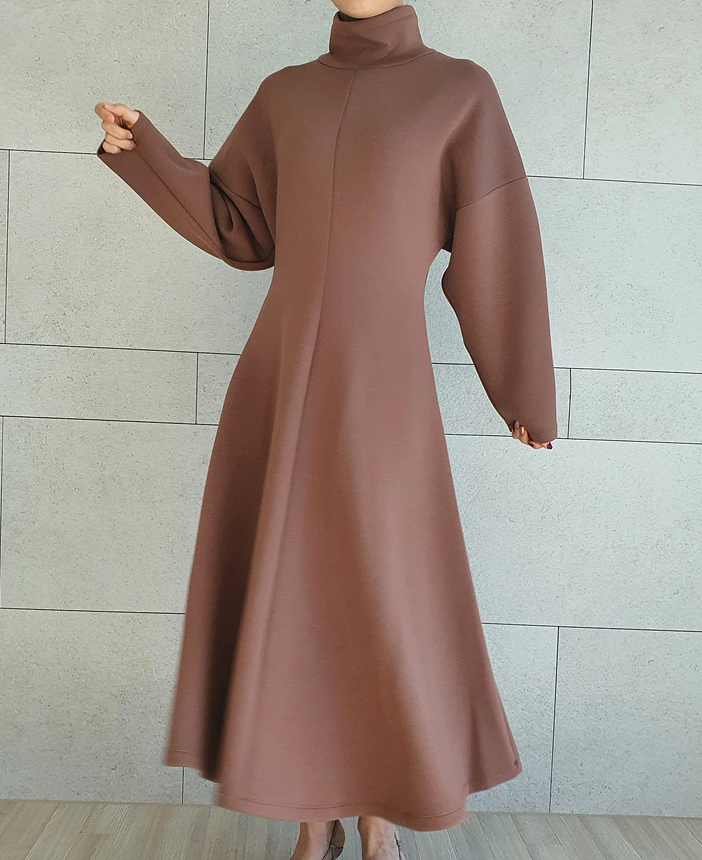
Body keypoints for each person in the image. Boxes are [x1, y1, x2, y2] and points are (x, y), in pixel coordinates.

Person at [94, 1, 557, 858]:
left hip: (384, 386)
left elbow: (496, 242)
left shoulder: (459, 93)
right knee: (294, 594)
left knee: (380, 592)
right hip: (280, 379)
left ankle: (380, 811)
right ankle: (315, 817)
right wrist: (144, 149)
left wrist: (521, 391)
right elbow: (239, 227)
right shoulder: (286, 94)